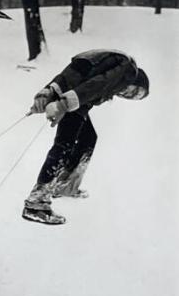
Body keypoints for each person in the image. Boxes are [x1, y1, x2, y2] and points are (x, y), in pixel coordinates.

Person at [23, 49, 149, 225]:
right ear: (137, 80)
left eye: (134, 98)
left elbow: (73, 74)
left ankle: (66, 185)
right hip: (75, 98)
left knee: (88, 137)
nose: (129, 96)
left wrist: (48, 93)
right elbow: (96, 84)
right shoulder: (128, 70)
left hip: (77, 97)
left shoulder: (111, 63)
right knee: (64, 145)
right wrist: (63, 103)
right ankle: (36, 203)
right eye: (136, 92)